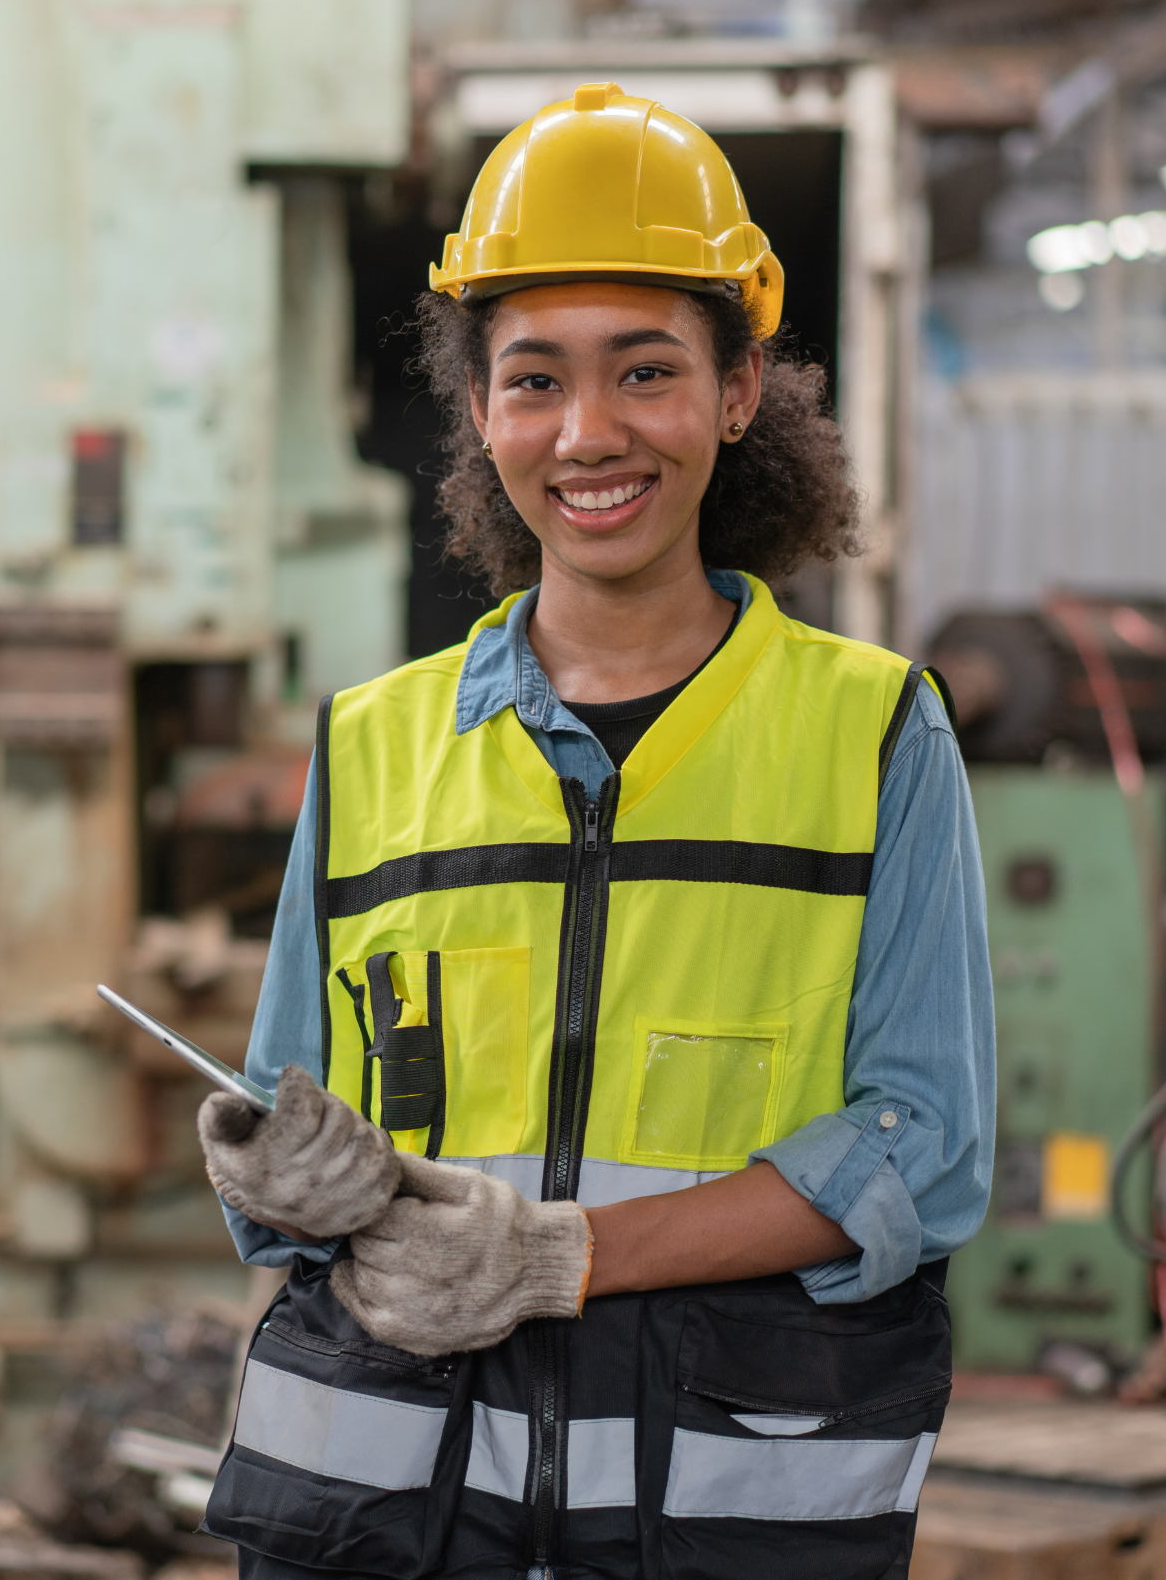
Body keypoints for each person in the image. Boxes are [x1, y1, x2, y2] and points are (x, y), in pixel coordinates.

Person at [194, 83, 995, 1580]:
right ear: (481, 409)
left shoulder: (876, 734)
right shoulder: (370, 748)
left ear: (741, 388)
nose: (588, 434)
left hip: (718, 1523)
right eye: (533, 380)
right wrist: (288, 1175)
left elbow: (922, 1150)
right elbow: (285, 1113)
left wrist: (565, 1256)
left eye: (645, 370)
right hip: (398, 1526)